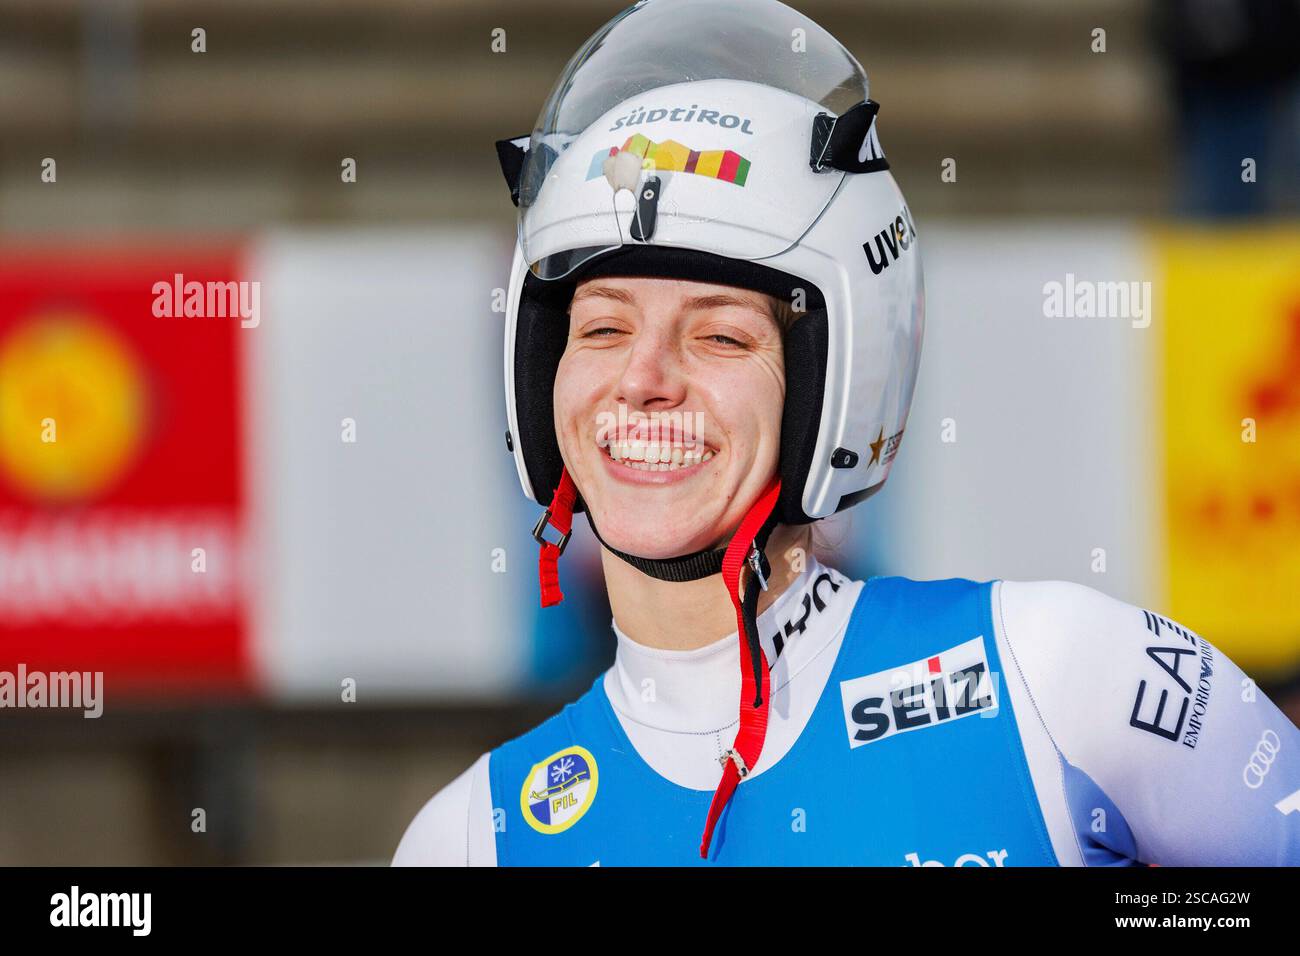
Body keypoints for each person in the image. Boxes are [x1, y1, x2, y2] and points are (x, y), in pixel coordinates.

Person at [394, 0, 1300, 866]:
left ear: (836, 383)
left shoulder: (1063, 678)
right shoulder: (473, 838)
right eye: (601, 328)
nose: (643, 380)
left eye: (719, 334)